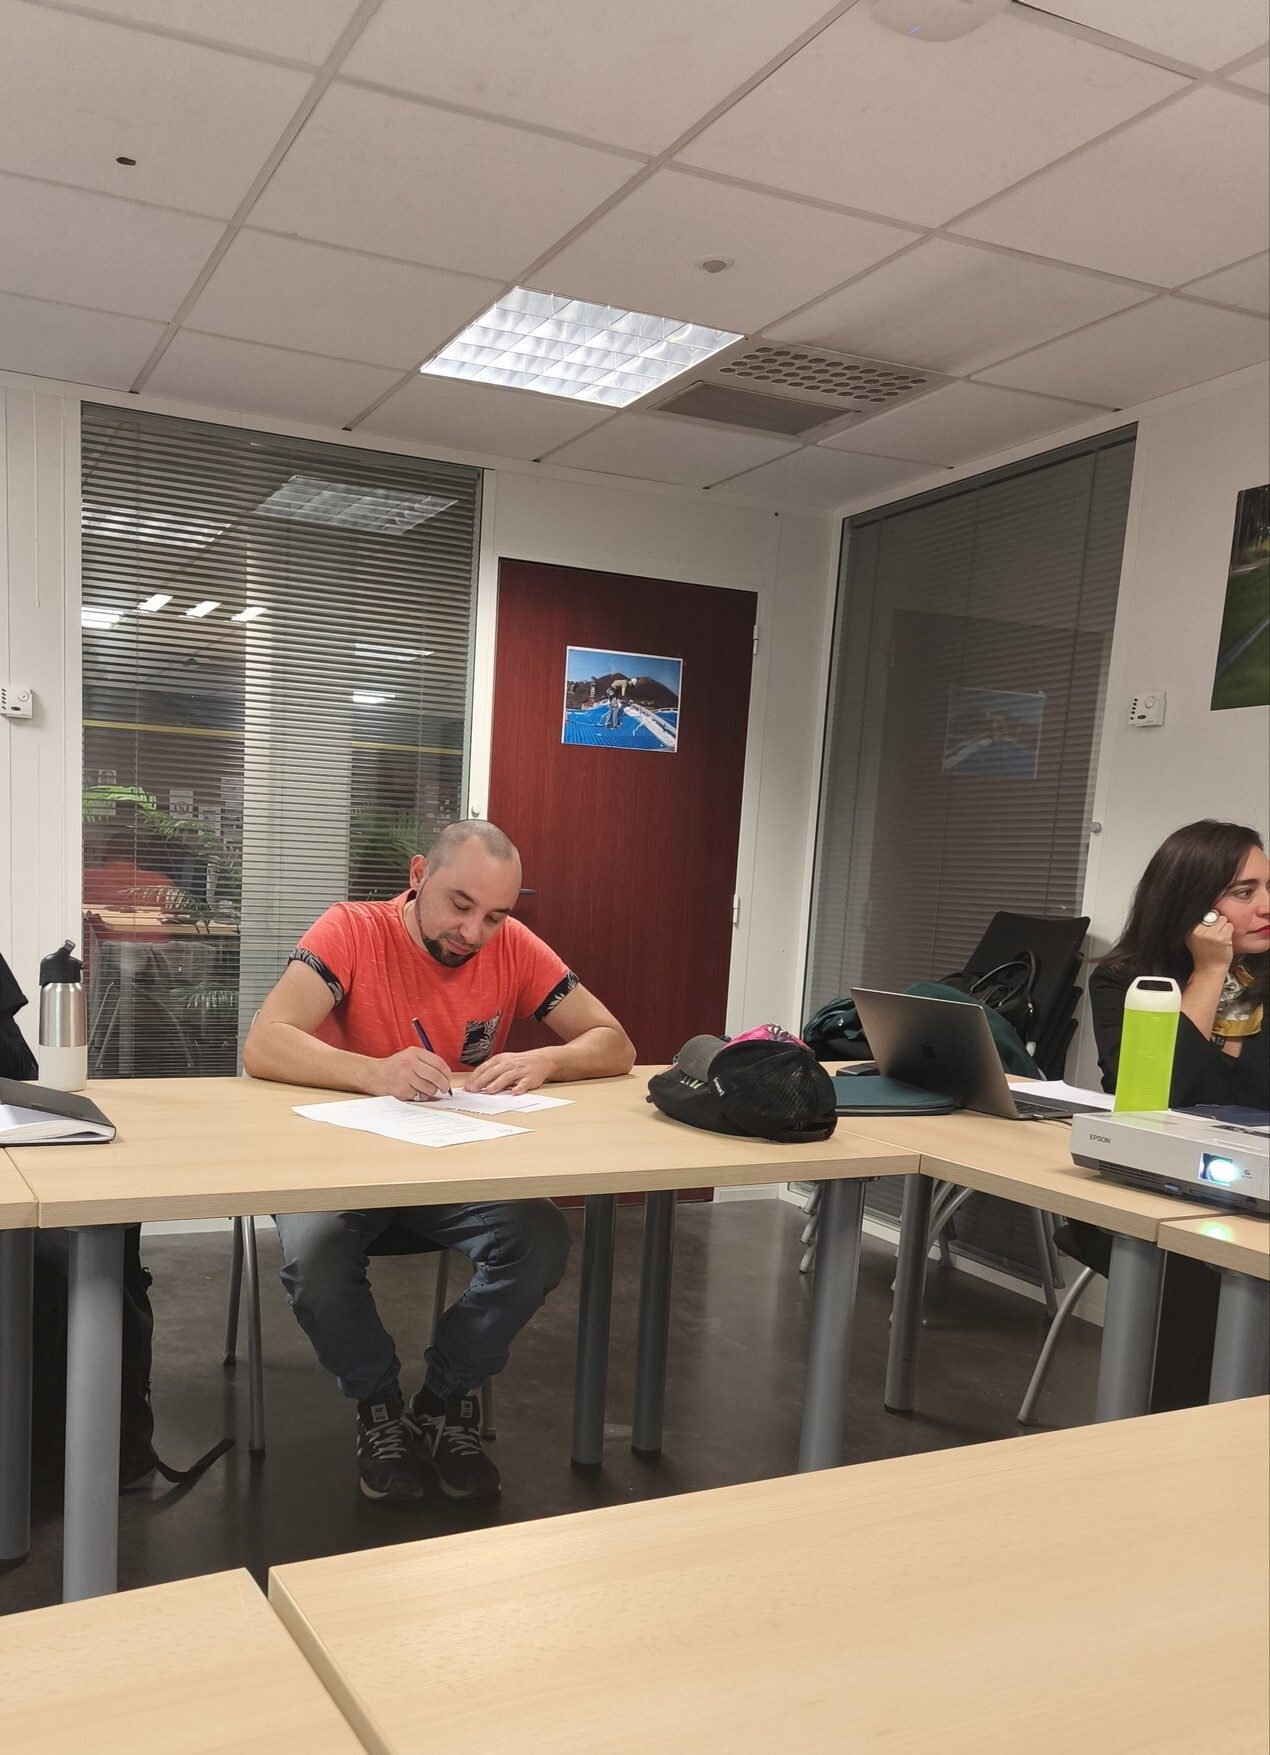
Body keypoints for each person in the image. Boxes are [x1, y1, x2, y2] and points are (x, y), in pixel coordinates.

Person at [243, 819, 634, 1504]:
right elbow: (265, 1042)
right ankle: (379, 1407)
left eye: (495, 915)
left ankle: (445, 1400)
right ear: (419, 874)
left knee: (539, 1239)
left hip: (448, 1167)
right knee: (316, 1256)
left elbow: (615, 1043)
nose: (475, 931)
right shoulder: (351, 929)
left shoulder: (512, 945)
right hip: (338, 1163)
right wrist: (373, 1072)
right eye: (459, 904)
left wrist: (547, 1057)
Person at [1083, 820, 1269, 1409]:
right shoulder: (1123, 980)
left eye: (1268, 887)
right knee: (1189, 1279)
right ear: (1193, 904)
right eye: (1244, 892)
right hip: (1163, 1191)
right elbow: (1155, 1093)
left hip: (1256, 1194)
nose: (1266, 905)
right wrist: (1210, 973)